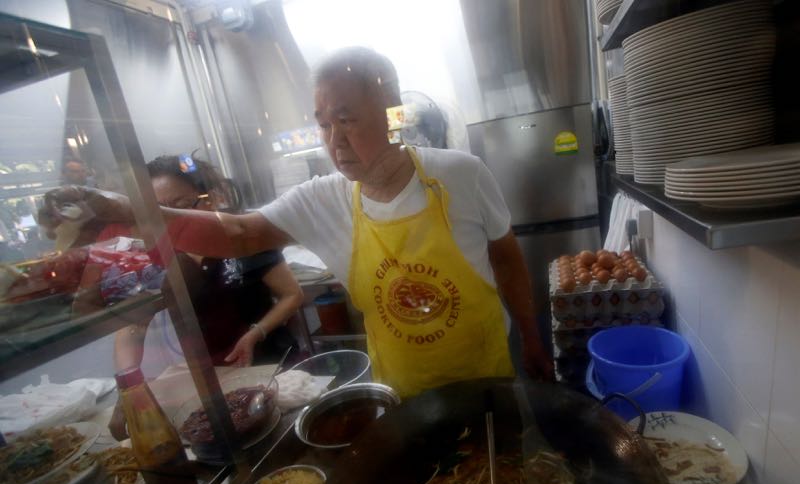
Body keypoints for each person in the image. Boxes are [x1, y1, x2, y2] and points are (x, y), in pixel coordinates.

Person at [44, 47, 553, 399]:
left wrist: (532, 337)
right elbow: (236, 233)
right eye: (323, 122)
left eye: (347, 118)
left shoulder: (459, 174)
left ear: (393, 113)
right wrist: (124, 211)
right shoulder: (324, 199)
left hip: (488, 377)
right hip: (407, 392)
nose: (334, 139)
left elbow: (505, 256)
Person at [107, 155, 304, 440]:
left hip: (272, 365)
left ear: (208, 200)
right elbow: (131, 328)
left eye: (181, 205)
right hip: (210, 380)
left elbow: (292, 294)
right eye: (158, 210)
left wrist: (255, 333)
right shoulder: (154, 260)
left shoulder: (242, 238)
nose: (170, 218)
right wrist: (127, 388)